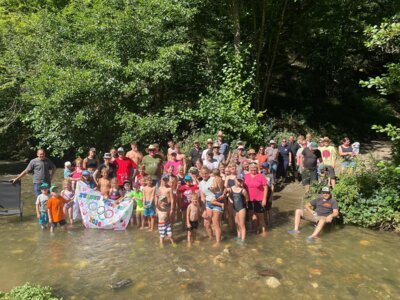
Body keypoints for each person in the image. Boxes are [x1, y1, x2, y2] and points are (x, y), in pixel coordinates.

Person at [199, 167, 222, 245]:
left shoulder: (213, 179)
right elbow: (202, 197)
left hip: (217, 202)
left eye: (206, 173)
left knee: (216, 223)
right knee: (206, 223)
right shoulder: (201, 183)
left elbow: (221, 189)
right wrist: (204, 210)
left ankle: (218, 242)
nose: (204, 175)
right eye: (202, 173)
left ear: (209, 173)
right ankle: (211, 237)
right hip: (208, 204)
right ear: (200, 174)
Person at [244, 163, 268, 237]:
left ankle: (264, 232)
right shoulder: (246, 176)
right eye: (251, 168)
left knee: (260, 216)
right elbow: (244, 187)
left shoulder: (261, 176)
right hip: (250, 200)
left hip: (259, 199)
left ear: (257, 168)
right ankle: (256, 230)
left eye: (255, 168)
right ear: (249, 168)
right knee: (253, 216)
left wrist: (264, 199)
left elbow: (266, 188)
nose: (253, 170)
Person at [156, 174, 176, 248]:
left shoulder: (169, 189)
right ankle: (162, 239)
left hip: (168, 207)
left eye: (166, 180)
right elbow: (156, 198)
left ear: (168, 180)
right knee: (162, 222)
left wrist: (172, 208)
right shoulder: (158, 189)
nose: (165, 181)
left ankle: (170, 236)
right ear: (161, 180)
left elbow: (172, 199)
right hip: (161, 208)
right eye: (163, 180)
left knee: (170, 222)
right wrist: (156, 208)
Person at [229, 174, 249, 242]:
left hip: (241, 208)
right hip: (235, 208)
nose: (239, 182)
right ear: (235, 180)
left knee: (242, 224)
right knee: (237, 223)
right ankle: (238, 237)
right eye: (238, 180)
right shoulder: (231, 188)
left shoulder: (243, 190)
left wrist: (245, 206)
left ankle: (242, 240)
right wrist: (230, 200)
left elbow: (247, 199)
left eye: (240, 180)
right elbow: (230, 196)